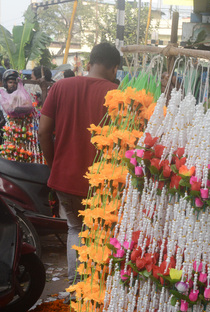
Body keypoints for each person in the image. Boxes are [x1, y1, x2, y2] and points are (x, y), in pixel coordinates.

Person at [38, 42, 120, 283]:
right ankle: (97, 292)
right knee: (101, 234)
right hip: (103, 182)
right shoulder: (118, 93)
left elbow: (43, 132)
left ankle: (76, 292)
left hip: (64, 179)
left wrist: (54, 167)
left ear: (89, 63)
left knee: (76, 229)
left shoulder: (61, 86)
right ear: (114, 68)